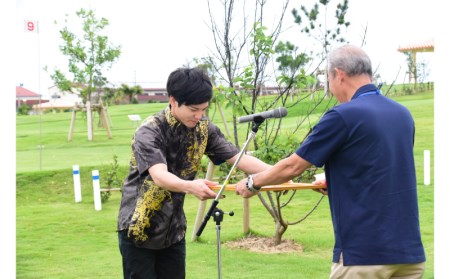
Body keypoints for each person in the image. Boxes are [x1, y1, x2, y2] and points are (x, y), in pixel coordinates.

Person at [235, 45, 426, 278]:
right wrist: (336, 180)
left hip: (363, 255)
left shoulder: (342, 116)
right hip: (409, 254)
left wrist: (253, 183)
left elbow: (292, 166)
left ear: (339, 74)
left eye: (328, 79)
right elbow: (381, 168)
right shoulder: (402, 114)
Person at [117, 67, 271, 279]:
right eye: (193, 109)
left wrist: (281, 173)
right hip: (139, 229)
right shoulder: (149, 131)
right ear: (173, 100)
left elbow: (238, 158)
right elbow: (159, 176)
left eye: (204, 109)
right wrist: (191, 186)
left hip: (173, 232)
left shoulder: (204, 128)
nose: (199, 116)